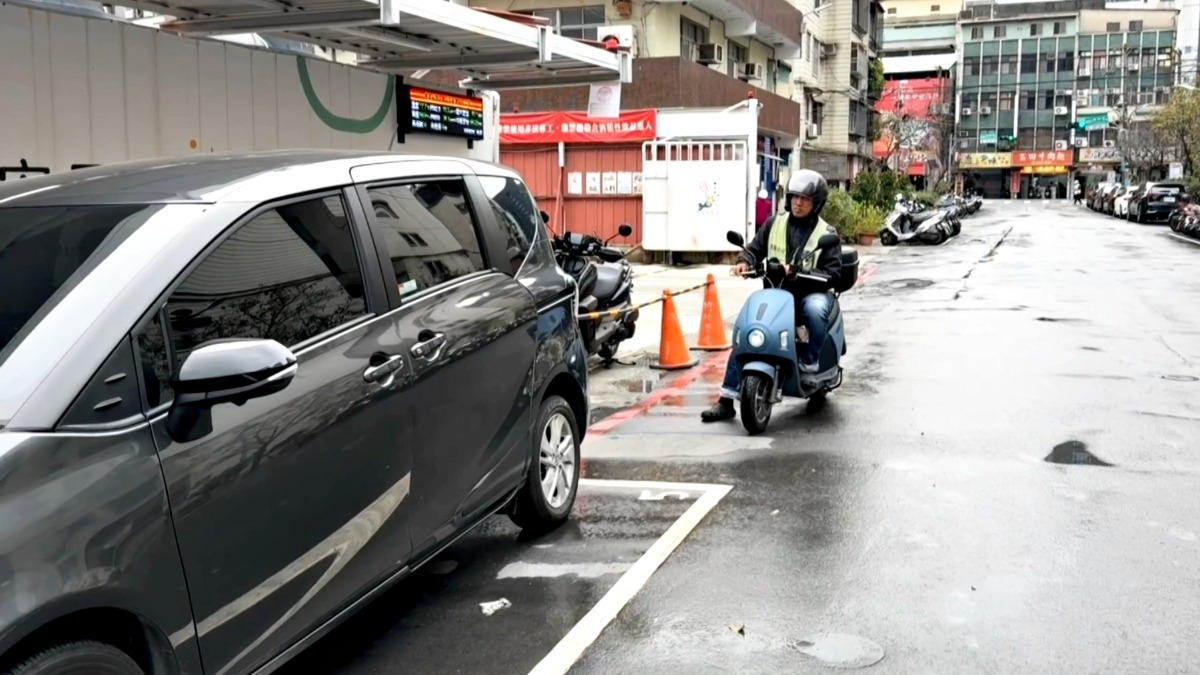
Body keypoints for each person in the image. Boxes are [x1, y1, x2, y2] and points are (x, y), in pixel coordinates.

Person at [701, 169, 844, 423]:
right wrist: (745, 261)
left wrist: (800, 272)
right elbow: (755, 248)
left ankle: (808, 365)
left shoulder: (826, 233)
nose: (798, 203)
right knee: (748, 330)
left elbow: (833, 273)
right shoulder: (774, 223)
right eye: (794, 197)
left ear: (816, 203)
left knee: (815, 309)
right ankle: (726, 398)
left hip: (808, 295)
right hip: (777, 293)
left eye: (805, 199)